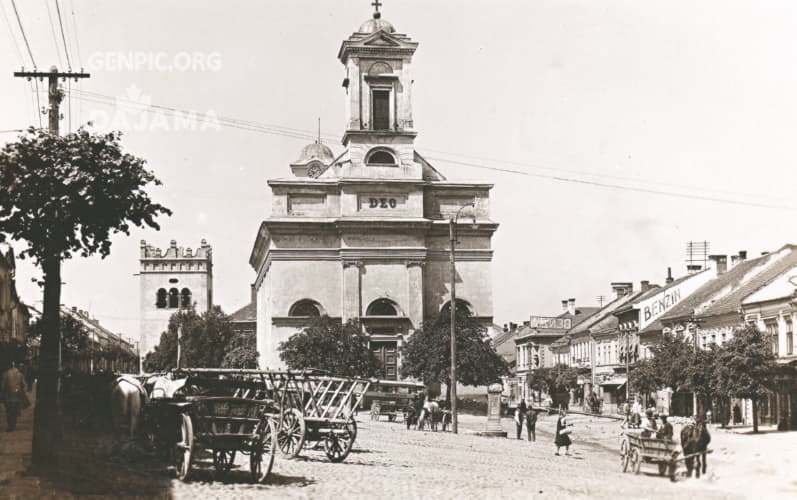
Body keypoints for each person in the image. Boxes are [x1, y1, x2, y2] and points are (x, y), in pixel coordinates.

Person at [1, 361, 28, 432]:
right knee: (15, 410)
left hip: (9, 395)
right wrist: (21, 391)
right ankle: (13, 423)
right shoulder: (20, 374)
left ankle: (10, 425)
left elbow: (2, 386)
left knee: (9, 410)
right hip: (17, 395)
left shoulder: (6, 374)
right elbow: (24, 385)